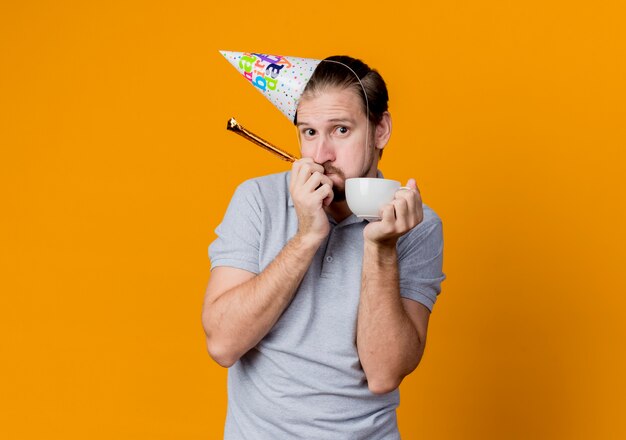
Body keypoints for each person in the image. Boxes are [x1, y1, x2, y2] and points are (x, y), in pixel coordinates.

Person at [202, 55, 445, 439]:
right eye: (309, 133)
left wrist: (381, 249)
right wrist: (306, 237)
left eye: (341, 130)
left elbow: (383, 374)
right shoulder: (256, 200)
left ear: (380, 130)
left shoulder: (416, 225)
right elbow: (222, 344)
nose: (321, 154)